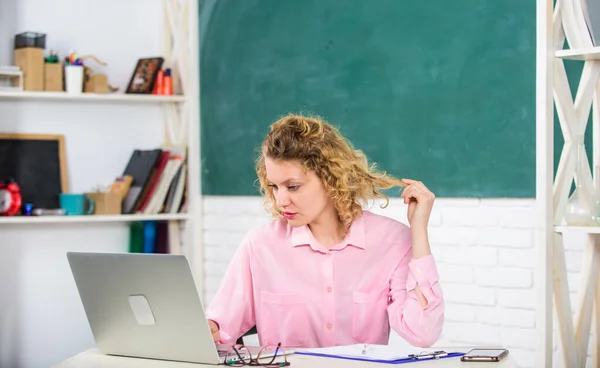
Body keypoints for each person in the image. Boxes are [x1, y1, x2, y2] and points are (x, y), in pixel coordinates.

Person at [205, 113, 443, 349]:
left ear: (331, 178)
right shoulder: (260, 246)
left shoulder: (391, 242)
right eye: (274, 187)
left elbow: (422, 333)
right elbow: (220, 325)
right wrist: (204, 328)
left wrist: (418, 230)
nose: (281, 201)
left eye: (293, 187)